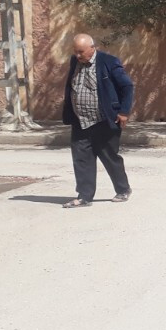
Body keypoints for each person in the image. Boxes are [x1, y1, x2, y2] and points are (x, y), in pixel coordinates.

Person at [61, 33, 134, 208]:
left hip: (104, 120)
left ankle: (123, 189)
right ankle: (84, 196)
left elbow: (127, 86)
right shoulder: (75, 62)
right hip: (81, 120)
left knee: (109, 157)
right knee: (81, 158)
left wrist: (124, 112)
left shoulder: (109, 62)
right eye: (75, 52)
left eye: (81, 52)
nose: (78, 56)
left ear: (92, 48)